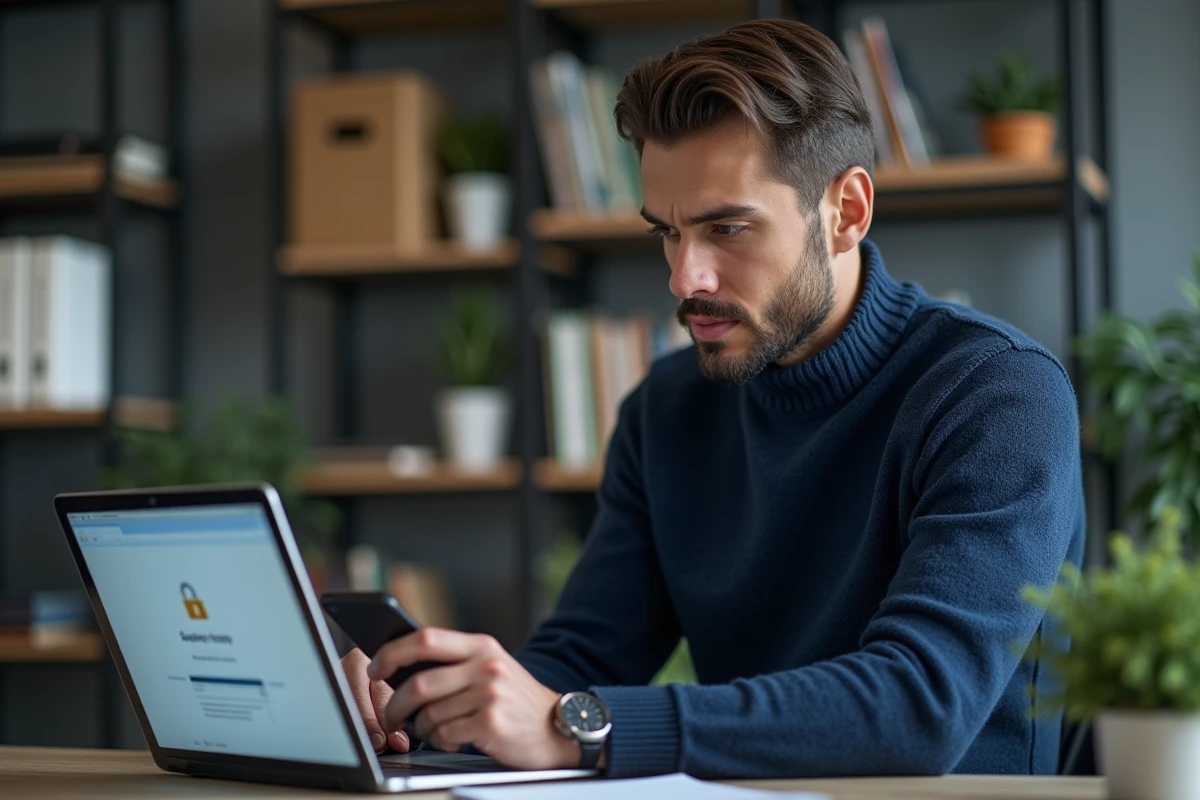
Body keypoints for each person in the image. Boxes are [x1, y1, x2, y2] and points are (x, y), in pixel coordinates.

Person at [341, 18, 1085, 779]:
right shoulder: (666, 409)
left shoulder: (996, 393)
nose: (684, 278)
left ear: (847, 213)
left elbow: (921, 704)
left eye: (727, 228)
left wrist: (579, 728)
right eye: (666, 231)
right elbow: (585, 652)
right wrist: (439, 705)